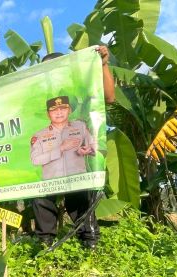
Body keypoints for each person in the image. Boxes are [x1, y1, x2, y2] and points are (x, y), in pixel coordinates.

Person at [31, 46, 115, 249]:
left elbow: (109, 97)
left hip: (76, 168)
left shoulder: (80, 88)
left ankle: (90, 247)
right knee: (42, 200)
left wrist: (102, 64)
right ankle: (45, 249)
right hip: (49, 170)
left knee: (81, 204)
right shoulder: (35, 94)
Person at [30, 95, 97, 180]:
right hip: (54, 187)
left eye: (63, 108)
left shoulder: (80, 126)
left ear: (69, 110)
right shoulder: (39, 136)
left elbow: (94, 146)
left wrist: (88, 150)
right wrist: (61, 148)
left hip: (80, 183)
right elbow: (35, 160)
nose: (59, 112)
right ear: (48, 114)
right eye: (54, 110)